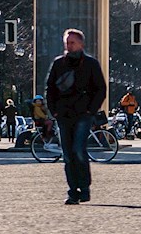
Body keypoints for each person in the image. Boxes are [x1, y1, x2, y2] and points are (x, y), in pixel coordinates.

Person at [44, 27, 107, 205]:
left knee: (78, 150)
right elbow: (50, 88)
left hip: (82, 114)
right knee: (68, 154)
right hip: (63, 114)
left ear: (81, 44)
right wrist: (53, 110)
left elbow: (101, 88)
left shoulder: (90, 64)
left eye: (72, 42)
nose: (68, 46)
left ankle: (84, 188)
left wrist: (91, 110)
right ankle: (73, 191)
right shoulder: (59, 63)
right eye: (67, 42)